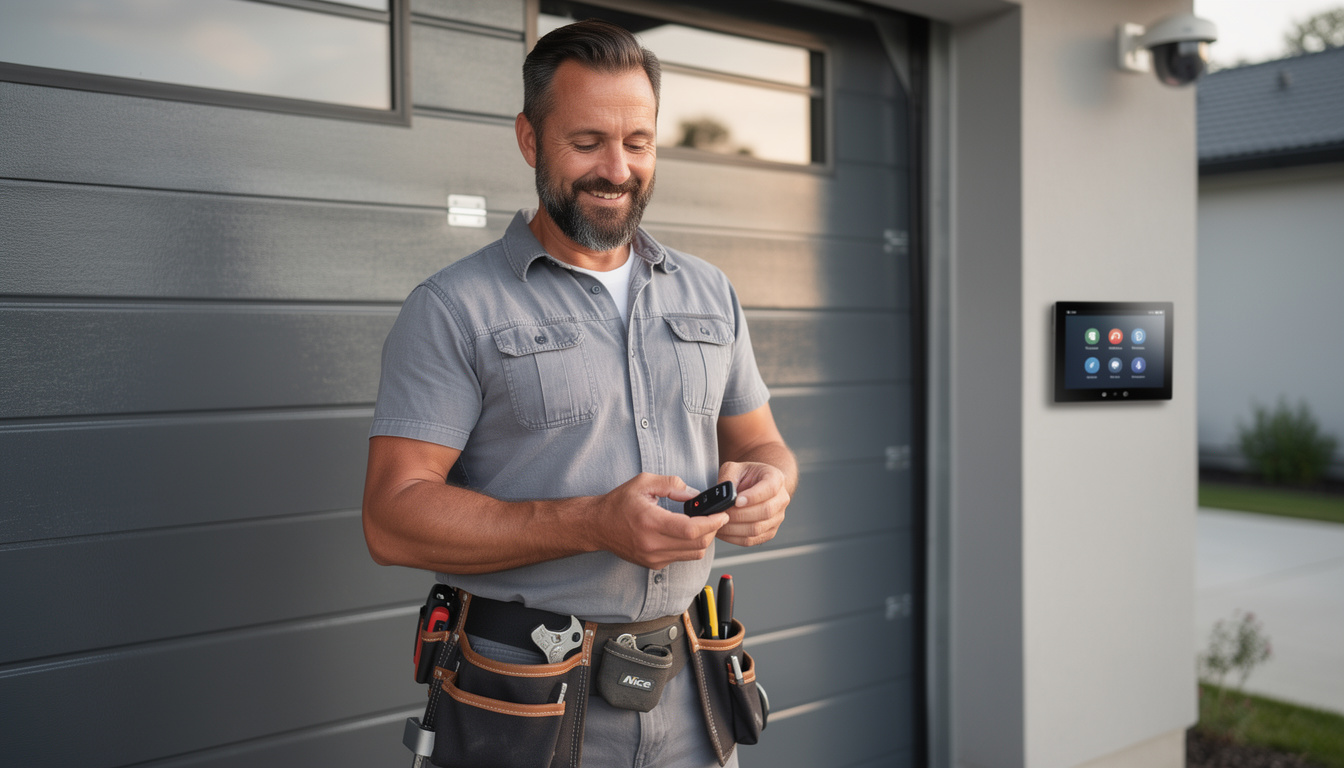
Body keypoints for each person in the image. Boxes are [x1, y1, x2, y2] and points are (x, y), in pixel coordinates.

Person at [362, 18, 796, 768]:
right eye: (587, 142)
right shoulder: (454, 307)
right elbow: (393, 519)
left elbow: (760, 444)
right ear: (530, 140)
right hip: (522, 698)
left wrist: (769, 486)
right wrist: (593, 521)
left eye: (638, 142)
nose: (617, 169)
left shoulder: (708, 291)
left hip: (692, 688)